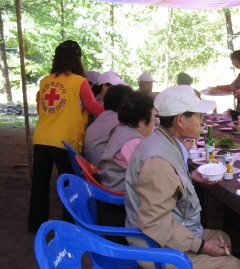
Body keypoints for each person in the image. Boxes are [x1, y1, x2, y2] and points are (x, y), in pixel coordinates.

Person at [124, 85, 240, 269]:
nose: (203, 121)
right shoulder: (159, 159)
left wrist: (189, 179)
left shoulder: (165, 142)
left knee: (222, 239)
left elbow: (166, 188)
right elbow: (154, 224)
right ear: (180, 120)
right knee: (233, 268)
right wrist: (200, 246)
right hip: (152, 247)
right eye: (198, 115)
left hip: (166, 231)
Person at [28, 40, 104, 233]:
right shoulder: (79, 82)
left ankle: (36, 224)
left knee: (39, 184)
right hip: (66, 141)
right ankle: (69, 224)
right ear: (77, 59)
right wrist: (111, 109)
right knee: (69, 184)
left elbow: (40, 108)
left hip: (41, 138)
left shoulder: (45, 81)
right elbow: (93, 107)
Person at [97, 92, 156, 193]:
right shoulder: (133, 142)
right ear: (141, 122)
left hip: (110, 182)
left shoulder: (121, 129)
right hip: (120, 191)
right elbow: (150, 173)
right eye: (153, 119)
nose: (155, 123)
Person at [84, 84, 133, 165]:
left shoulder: (103, 117)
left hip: (94, 169)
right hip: (105, 173)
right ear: (125, 105)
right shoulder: (120, 123)